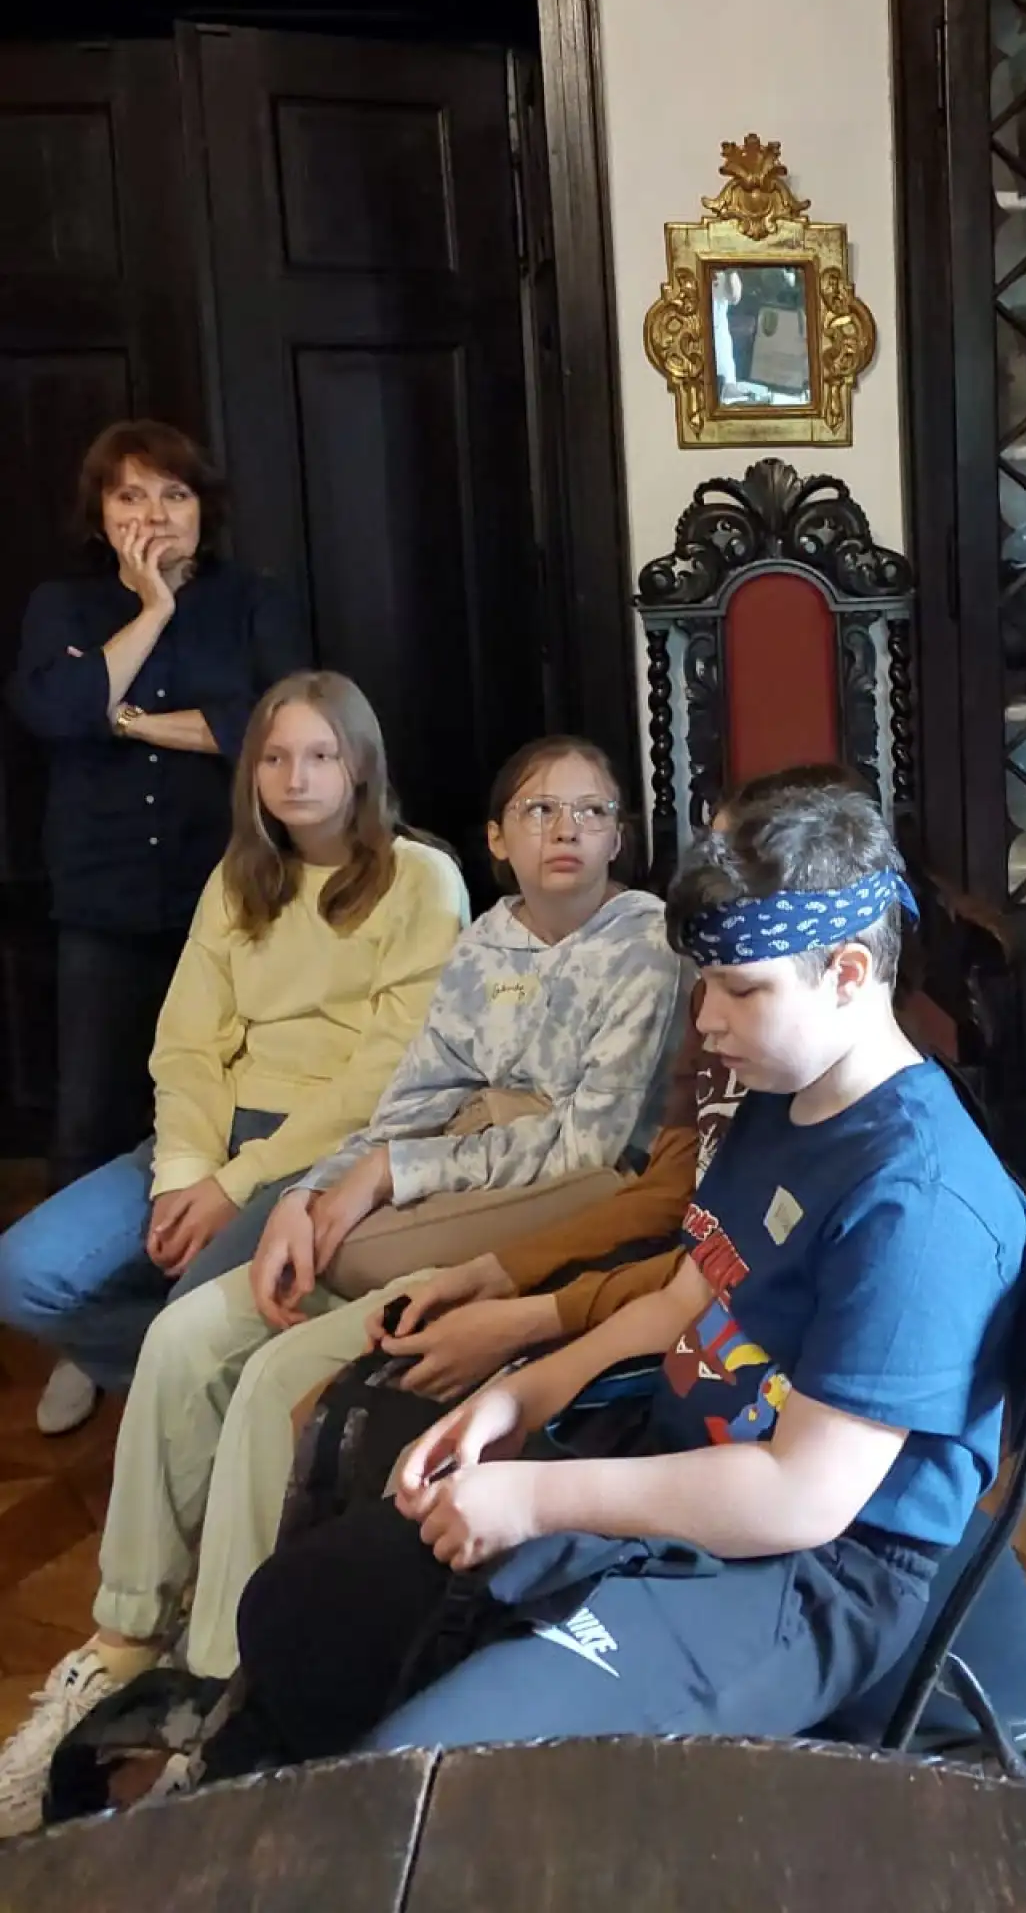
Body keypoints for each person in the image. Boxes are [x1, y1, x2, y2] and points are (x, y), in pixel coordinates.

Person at [226, 778, 1026, 1767]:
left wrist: (534, 1499)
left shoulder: (921, 1202)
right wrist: (519, 1396)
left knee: (434, 1774)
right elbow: (689, 1295)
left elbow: (802, 1496)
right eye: (705, 983)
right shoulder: (783, 1097)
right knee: (294, 1614)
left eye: (741, 989)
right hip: (675, 1460)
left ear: (848, 972)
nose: (708, 1018)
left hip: (813, 1575)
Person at [0, 734, 684, 1839]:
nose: (566, 829)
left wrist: (396, 1173)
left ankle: (219, 1694)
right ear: (498, 839)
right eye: (539, 810)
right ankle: (123, 1640)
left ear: (621, 836)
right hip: (421, 1186)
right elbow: (409, 1099)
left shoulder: (645, 943)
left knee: (275, 1378)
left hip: (526, 1212)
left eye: (591, 810)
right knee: (183, 1338)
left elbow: (585, 1147)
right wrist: (319, 1193)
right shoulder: (486, 939)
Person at [0, 671, 466, 1433]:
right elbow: (187, 1043)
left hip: (326, 1149)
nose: (295, 777)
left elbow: (389, 1072)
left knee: (190, 1327)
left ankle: (214, 1408)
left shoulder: (421, 876)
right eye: (275, 758)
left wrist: (236, 1184)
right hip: (216, 1131)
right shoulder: (238, 877)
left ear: (360, 765)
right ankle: (219, 1394)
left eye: (320, 755)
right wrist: (185, 1172)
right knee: (21, 1275)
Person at [6, 419, 305, 1433]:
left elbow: (265, 727)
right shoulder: (63, 605)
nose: (153, 514)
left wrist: (122, 715)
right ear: (100, 513)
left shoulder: (253, 599)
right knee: (89, 1112)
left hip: (230, 893)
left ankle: (203, 1313)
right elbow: (54, 710)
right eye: (130, 495)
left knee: (227, 1099)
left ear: (202, 508)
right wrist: (152, 610)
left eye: (172, 494)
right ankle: (85, 1341)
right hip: (100, 896)